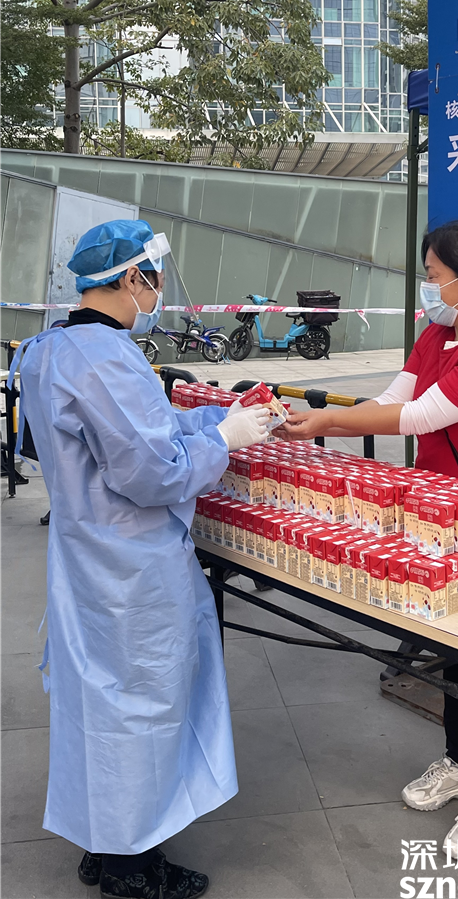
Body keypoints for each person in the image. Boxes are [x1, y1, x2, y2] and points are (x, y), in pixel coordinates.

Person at [9, 220, 271, 899]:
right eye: (152, 279)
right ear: (132, 277)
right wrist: (225, 442)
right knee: (140, 712)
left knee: (96, 707)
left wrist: (216, 420)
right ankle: (131, 869)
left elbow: (140, 431)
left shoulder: (49, 348)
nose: (157, 292)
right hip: (132, 567)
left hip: (86, 555)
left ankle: (104, 843)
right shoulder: (107, 358)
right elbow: (152, 472)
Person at [282, 219, 458, 857]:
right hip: (435, 519)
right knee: (452, 649)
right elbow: (391, 397)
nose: (427, 288)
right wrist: (322, 421)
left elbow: (420, 416)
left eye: (433, 277)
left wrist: (324, 422)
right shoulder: (436, 335)